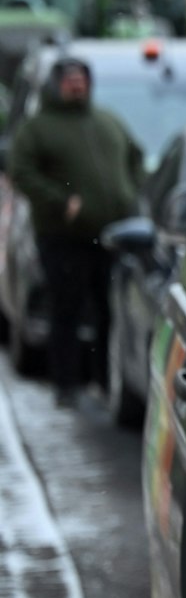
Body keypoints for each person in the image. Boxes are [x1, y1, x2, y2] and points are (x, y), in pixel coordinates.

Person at [8, 58, 141, 404]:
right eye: (69, 80)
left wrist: (131, 193)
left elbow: (136, 155)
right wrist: (59, 201)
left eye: (81, 79)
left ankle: (100, 378)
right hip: (62, 237)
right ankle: (65, 385)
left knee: (105, 310)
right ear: (56, 85)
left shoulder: (106, 120)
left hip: (110, 236)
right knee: (66, 310)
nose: (76, 85)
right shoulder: (38, 128)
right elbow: (21, 171)